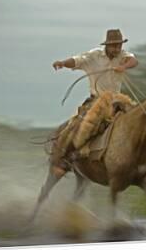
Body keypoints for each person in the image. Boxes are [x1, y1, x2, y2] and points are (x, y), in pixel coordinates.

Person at [49, 29, 139, 175]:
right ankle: (65, 159)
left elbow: (134, 60)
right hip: (96, 101)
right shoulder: (94, 56)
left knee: (138, 121)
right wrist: (63, 63)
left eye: (119, 45)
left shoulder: (123, 56)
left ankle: (138, 160)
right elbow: (76, 60)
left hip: (117, 101)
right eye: (114, 45)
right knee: (77, 126)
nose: (117, 49)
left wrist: (123, 66)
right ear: (107, 45)